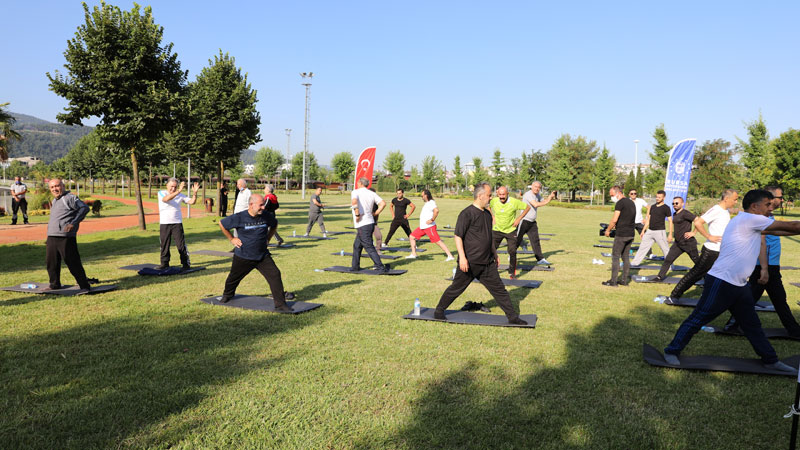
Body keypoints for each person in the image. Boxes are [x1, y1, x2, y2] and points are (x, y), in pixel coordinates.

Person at [662, 189, 800, 372]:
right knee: (698, 318)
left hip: (740, 285)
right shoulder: (750, 219)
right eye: (767, 204)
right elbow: (793, 227)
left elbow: (781, 231)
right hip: (721, 281)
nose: (770, 208)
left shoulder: (748, 221)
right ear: (754, 206)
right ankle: (671, 351)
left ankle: (770, 359)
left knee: (752, 326)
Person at [433, 183, 527, 325]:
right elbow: (458, 236)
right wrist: (462, 258)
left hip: (487, 263)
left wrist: (494, 254)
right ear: (480, 196)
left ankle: (512, 317)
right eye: (489, 195)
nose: (491, 198)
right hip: (469, 263)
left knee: (499, 290)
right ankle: (439, 311)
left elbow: (489, 237)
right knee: (456, 289)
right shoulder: (467, 214)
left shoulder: (488, 214)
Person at [722, 186, 800, 337]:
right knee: (765, 298)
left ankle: (794, 329)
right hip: (765, 265)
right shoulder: (760, 217)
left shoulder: (766, 215)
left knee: (775, 298)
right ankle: (732, 324)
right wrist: (764, 268)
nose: (781, 200)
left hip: (769, 264)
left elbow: (782, 230)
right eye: (779, 197)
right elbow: (762, 242)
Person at [217, 193, 292, 312]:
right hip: (243, 256)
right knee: (233, 278)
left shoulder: (266, 215)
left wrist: (268, 238)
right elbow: (222, 224)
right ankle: (227, 295)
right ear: (251, 205)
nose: (263, 207)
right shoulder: (240, 217)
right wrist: (232, 239)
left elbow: (274, 224)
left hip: (262, 256)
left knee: (275, 274)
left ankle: (280, 304)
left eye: (264, 205)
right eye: (261, 205)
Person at [657, 189, 737, 300]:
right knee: (695, 273)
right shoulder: (716, 210)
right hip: (711, 250)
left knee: (716, 274)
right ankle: (675, 294)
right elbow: (699, 222)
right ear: (727, 198)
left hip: (721, 250)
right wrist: (708, 236)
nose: (736, 202)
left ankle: (711, 294)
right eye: (735, 199)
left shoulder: (725, 211)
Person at [45, 178, 91, 291]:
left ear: (63, 186)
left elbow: (84, 208)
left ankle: (84, 285)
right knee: (51, 263)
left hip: (65, 236)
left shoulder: (69, 198)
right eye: (52, 187)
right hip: (52, 236)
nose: (54, 189)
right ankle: (54, 284)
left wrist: (73, 223)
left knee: (72, 262)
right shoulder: (55, 200)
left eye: (57, 186)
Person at [651, 197, 700, 282]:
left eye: (676, 203)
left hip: (688, 243)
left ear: (682, 204)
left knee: (698, 263)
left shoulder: (685, 213)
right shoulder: (675, 214)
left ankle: (707, 279)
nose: (674, 205)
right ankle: (659, 277)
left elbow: (698, 220)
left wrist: (693, 232)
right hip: (678, 243)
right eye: (673, 203)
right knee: (668, 260)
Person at [157, 178, 199, 270]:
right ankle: (164, 263)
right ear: (167, 185)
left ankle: (185, 264)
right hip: (165, 223)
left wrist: (195, 193)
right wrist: (179, 190)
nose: (173, 188)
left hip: (177, 223)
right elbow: (166, 199)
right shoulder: (161, 193)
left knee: (181, 245)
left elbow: (192, 202)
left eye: (175, 187)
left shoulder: (180, 195)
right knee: (164, 245)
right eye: (171, 186)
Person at [488, 186, 527, 277]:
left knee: (512, 251)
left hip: (511, 230)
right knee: (491, 250)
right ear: (497, 194)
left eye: (503, 194)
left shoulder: (514, 202)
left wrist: (518, 219)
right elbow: (488, 206)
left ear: (507, 194)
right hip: (497, 229)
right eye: (500, 194)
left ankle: (511, 272)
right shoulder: (494, 201)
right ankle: (492, 270)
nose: (501, 196)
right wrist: (492, 216)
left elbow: (527, 207)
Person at [350, 177, 388, 272]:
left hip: (363, 224)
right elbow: (383, 203)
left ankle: (380, 267)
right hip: (370, 222)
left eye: (358, 182)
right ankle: (355, 267)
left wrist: (357, 214)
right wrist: (376, 213)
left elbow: (354, 202)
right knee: (357, 246)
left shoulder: (355, 192)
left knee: (368, 246)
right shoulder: (372, 193)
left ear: (360, 183)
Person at [406, 189, 454, 261]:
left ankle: (450, 256)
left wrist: (432, 220)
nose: (422, 197)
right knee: (412, 237)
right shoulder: (427, 203)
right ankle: (414, 254)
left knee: (438, 241)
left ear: (426, 195)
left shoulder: (431, 202)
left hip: (429, 227)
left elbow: (436, 211)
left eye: (422, 196)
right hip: (423, 227)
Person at [515, 181, 555, 265]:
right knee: (517, 240)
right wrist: (547, 201)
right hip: (524, 220)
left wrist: (550, 197)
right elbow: (536, 204)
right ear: (532, 187)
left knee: (535, 241)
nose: (537, 188)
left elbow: (544, 201)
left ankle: (540, 259)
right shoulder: (528, 194)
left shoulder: (538, 195)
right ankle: (511, 255)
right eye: (535, 186)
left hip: (532, 222)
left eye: (538, 187)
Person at [603, 185, 636, 286]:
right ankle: (624, 281)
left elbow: (614, 219)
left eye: (612, 195)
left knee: (615, 257)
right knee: (625, 257)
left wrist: (608, 230)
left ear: (617, 193)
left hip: (622, 234)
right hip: (631, 233)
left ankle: (613, 281)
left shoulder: (620, 203)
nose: (611, 197)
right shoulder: (631, 202)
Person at [630, 190, 672, 266]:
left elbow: (670, 221)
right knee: (642, 248)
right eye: (656, 197)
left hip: (660, 232)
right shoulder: (652, 207)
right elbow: (648, 220)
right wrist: (643, 231)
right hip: (650, 231)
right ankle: (634, 263)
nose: (657, 198)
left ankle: (670, 265)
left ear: (664, 198)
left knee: (665, 249)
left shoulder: (666, 208)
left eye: (659, 197)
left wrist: (670, 234)